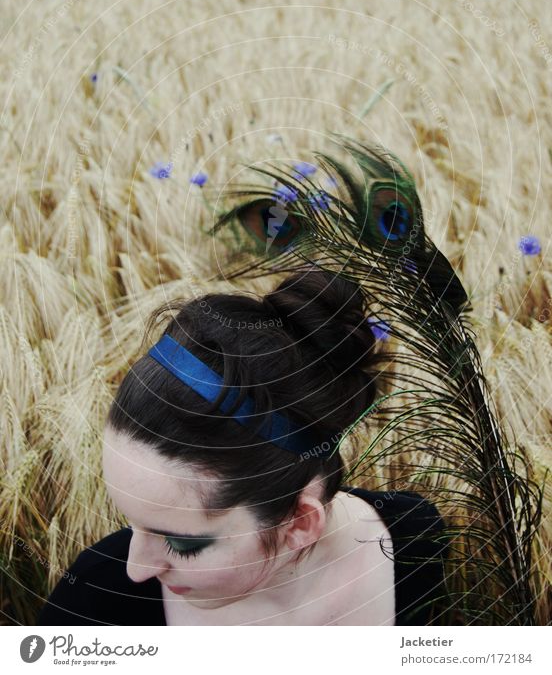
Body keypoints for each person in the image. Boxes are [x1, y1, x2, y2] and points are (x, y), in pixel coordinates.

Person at [37, 268, 450, 626]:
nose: (136, 568)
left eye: (182, 543)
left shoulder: (416, 541)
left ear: (300, 525)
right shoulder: (95, 604)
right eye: (131, 520)